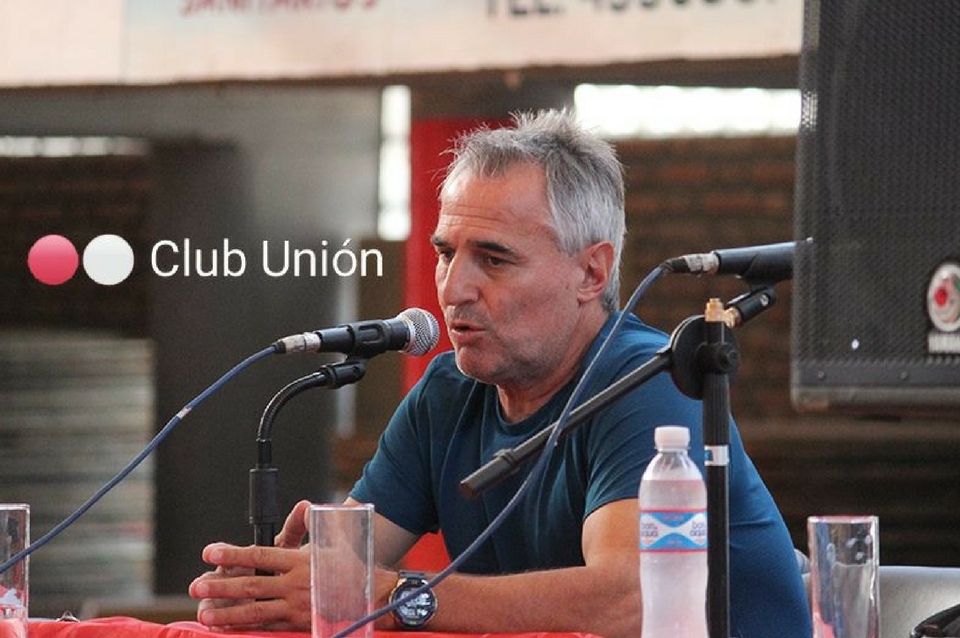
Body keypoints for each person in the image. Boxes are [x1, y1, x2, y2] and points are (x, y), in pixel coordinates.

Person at [188, 109, 811, 638]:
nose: (453, 288)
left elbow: (630, 598)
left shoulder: (650, 382)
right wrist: (280, 585)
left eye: (493, 259)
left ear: (591, 273)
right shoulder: (446, 394)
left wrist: (391, 595)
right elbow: (345, 575)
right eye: (445, 253)